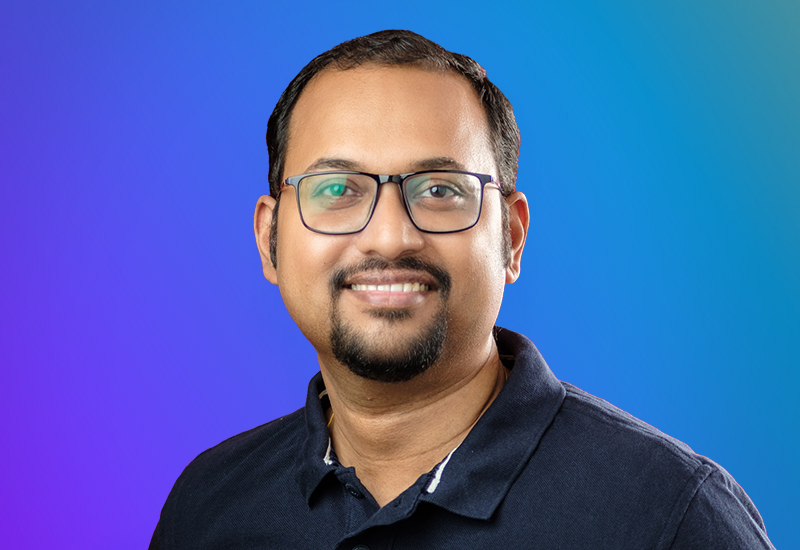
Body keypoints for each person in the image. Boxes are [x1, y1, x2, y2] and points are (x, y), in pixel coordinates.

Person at [150, 30, 774, 549]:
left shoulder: (670, 515)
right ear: (270, 241)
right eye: (337, 190)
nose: (390, 238)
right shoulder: (209, 506)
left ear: (512, 239)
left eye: (441, 190)